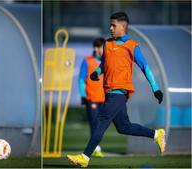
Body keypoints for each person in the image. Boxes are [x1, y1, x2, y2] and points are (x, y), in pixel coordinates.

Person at [67, 12, 166, 167]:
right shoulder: (107, 43)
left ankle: (85, 157)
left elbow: (145, 67)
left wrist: (155, 88)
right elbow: (104, 65)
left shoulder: (132, 46)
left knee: (100, 121)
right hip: (109, 93)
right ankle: (156, 134)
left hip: (118, 93)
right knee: (123, 127)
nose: (110, 28)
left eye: (114, 25)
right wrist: (96, 73)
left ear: (123, 26)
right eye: (110, 24)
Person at [78, 38, 106, 158]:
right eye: (94, 46)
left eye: (98, 46)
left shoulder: (107, 61)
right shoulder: (87, 61)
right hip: (92, 98)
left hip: (105, 99)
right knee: (94, 123)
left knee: (101, 124)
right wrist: (83, 96)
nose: (95, 49)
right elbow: (81, 79)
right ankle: (96, 148)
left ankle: (95, 147)